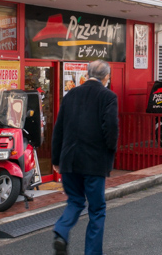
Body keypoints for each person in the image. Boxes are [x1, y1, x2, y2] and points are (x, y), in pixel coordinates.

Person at [52, 60, 119, 255]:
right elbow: (111, 129)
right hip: (94, 162)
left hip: (69, 161)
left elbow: (59, 129)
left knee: (75, 201)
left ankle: (61, 232)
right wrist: (110, 154)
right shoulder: (108, 96)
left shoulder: (70, 94)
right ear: (106, 77)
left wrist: (56, 159)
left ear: (87, 73)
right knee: (97, 210)